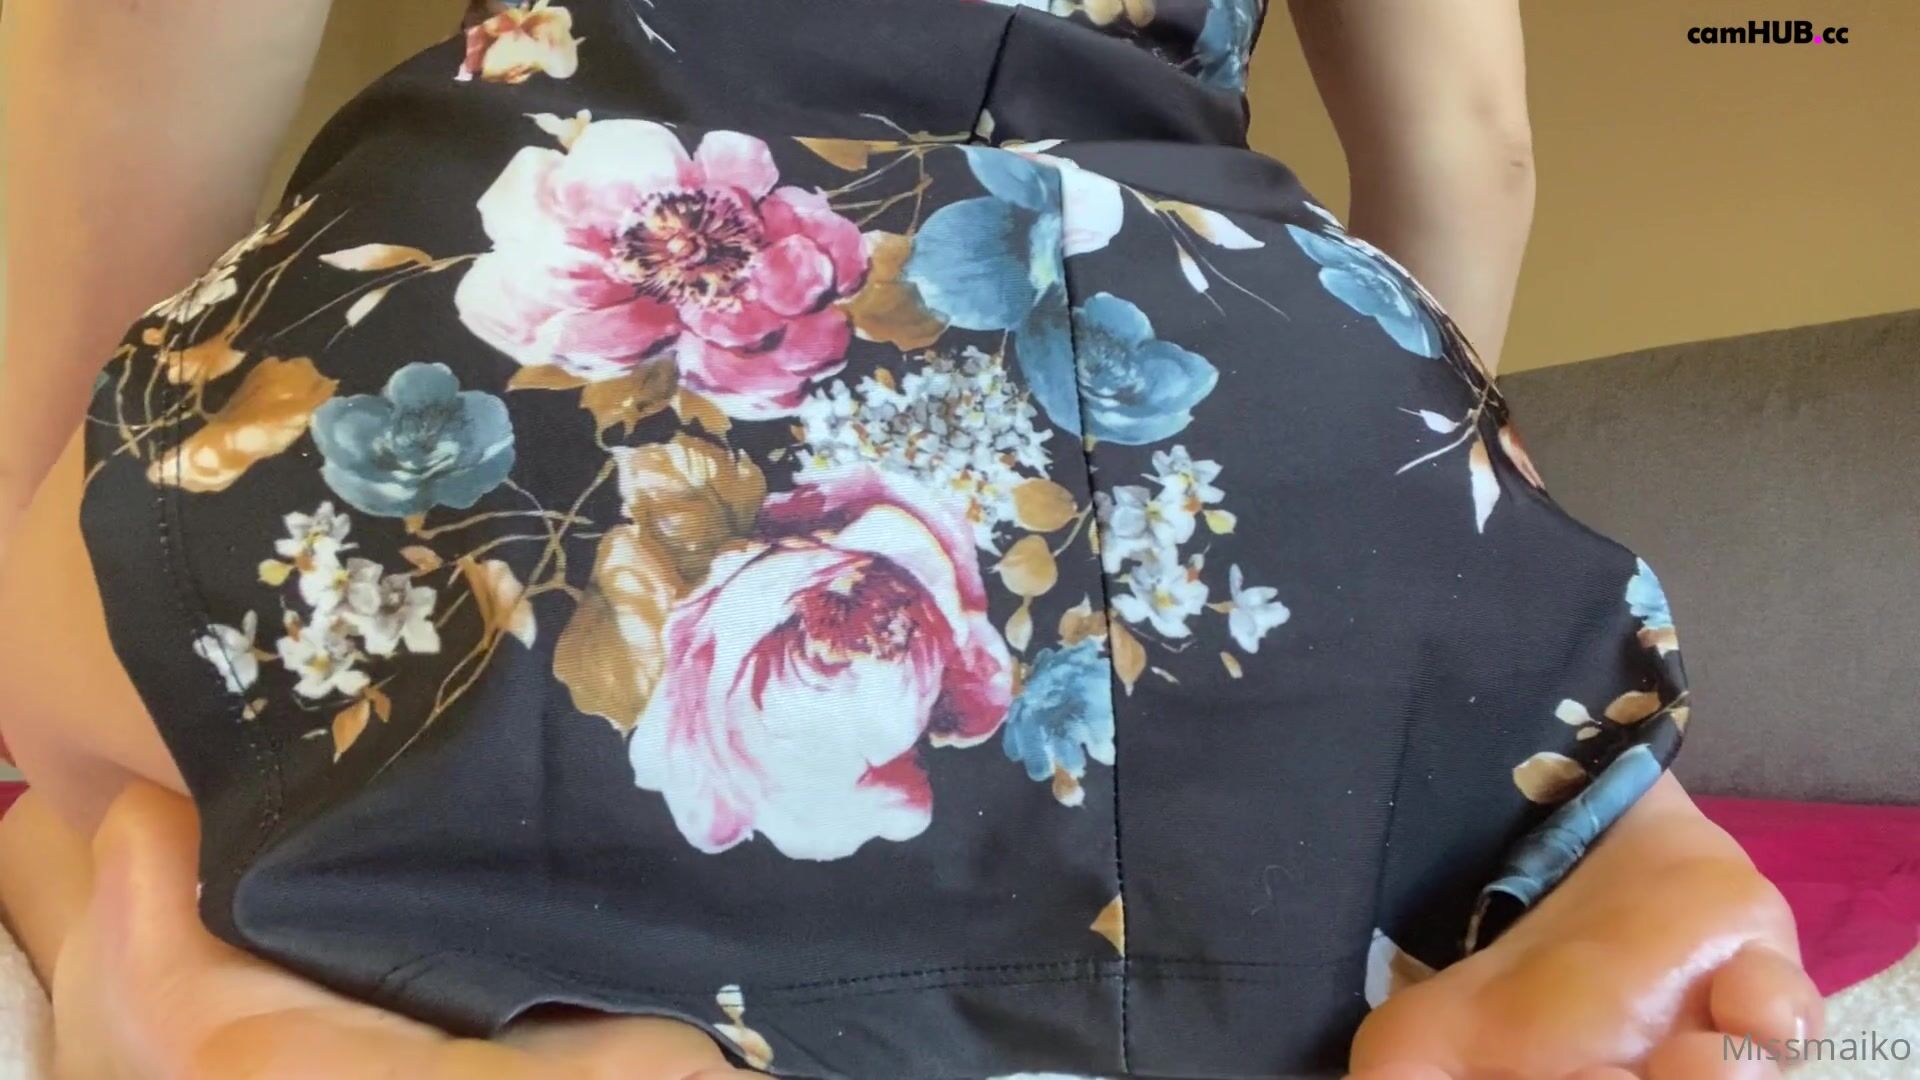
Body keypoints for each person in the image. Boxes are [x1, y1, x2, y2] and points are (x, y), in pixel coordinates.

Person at [0, 0, 1821, 1076]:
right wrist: (1428, 574)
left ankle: (156, 937)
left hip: (565, 276)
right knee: (1329, 556)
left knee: (130, 711)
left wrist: (51, 588)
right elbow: (1471, 156)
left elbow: (134, 57)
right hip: (1198, 337)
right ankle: (1554, 830)